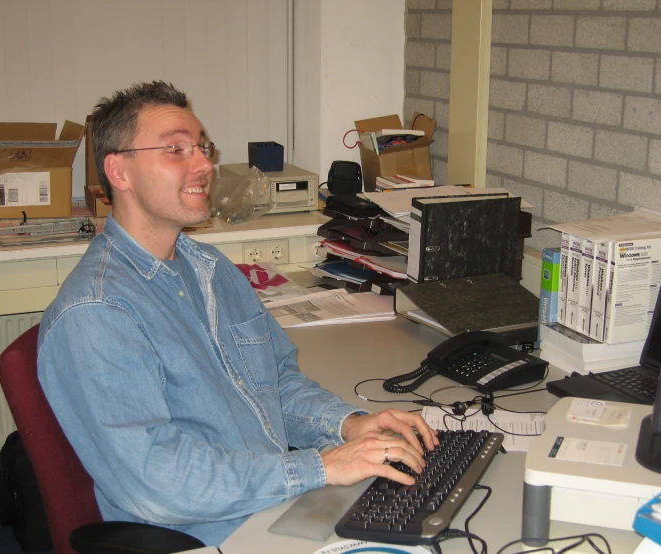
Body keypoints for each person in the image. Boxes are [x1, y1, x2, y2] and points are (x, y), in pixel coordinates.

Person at [37, 81, 438, 546]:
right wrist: (320, 466)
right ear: (118, 171)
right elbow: (158, 483)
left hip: (276, 501)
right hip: (210, 533)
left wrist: (347, 424)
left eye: (202, 147)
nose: (205, 163)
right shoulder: (98, 312)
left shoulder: (209, 269)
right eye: (176, 149)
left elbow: (275, 380)